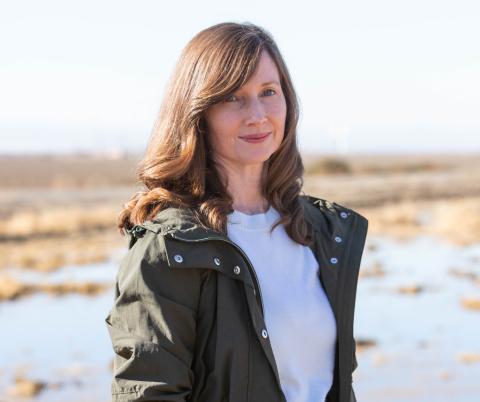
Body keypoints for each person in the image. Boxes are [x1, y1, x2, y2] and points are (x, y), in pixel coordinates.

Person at [105, 21, 368, 402]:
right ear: (198, 112)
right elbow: (149, 394)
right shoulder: (169, 249)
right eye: (233, 97)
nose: (257, 114)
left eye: (268, 92)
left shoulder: (320, 233)